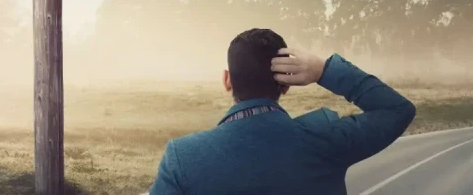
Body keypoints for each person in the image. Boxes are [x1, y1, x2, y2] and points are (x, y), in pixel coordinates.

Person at [148, 28, 416, 195]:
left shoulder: (182, 158)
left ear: (227, 80)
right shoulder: (326, 139)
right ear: (285, 85)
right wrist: (325, 70)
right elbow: (396, 110)